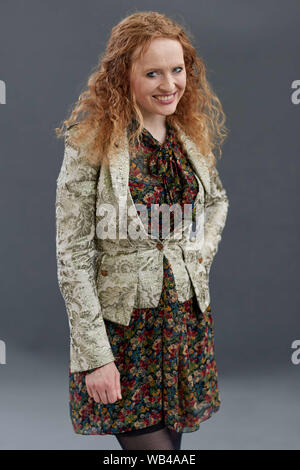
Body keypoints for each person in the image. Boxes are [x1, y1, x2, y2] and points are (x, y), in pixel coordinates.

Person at [55, 11, 229, 451]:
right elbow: (72, 257)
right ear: (122, 76)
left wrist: (196, 256)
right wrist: (96, 358)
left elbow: (216, 203)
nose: (169, 84)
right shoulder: (90, 143)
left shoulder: (189, 134)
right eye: (152, 72)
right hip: (124, 338)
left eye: (177, 69)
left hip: (182, 330)